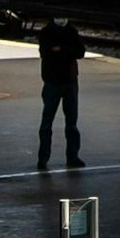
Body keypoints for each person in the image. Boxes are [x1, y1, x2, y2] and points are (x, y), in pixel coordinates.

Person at [35, 17, 86, 169]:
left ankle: (58, 157)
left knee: (63, 123)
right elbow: (46, 52)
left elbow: (80, 52)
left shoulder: (69, 31)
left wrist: (61, 49)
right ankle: (52, 157)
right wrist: (68, 50)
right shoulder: (49, 32)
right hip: (58, 82)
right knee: (53, 123)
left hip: (65, 82)